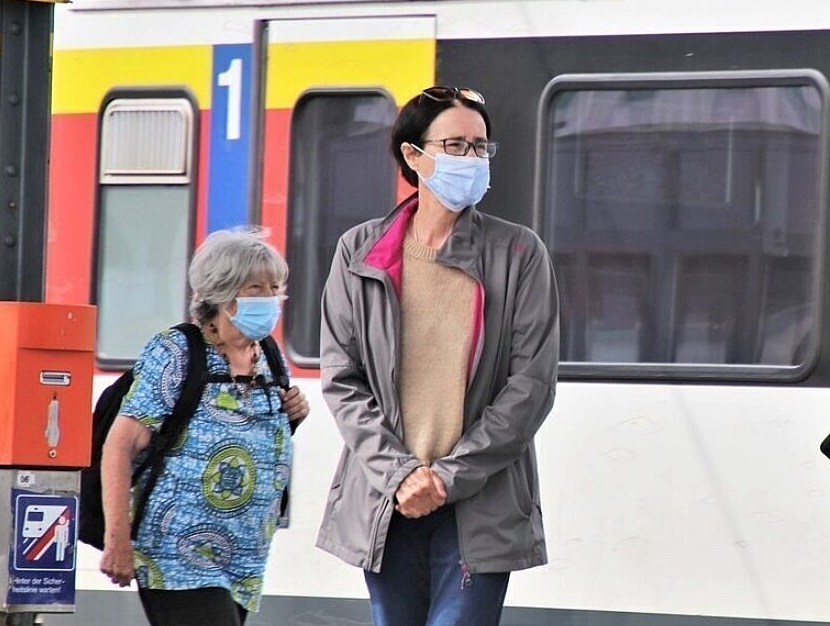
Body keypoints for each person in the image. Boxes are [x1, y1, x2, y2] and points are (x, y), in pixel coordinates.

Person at [317, 86, 560, 626]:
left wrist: (448, 477)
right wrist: (402, 475)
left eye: (480, 147)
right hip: (388, 501)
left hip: (479, 502)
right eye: (455, 144)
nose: (471, 159)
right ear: (413, 155)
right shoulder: (359, 251)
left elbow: (532, 385)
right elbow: (342, 379)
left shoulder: (519, 253)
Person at [99, 228, 310, 626]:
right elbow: (120, 445)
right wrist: (117, 540)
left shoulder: (267, 354)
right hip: (179, 553)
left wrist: (292, 414)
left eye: (275, 287)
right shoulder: (177, 351)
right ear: (224, 293)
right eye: (256, 287)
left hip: (245, 558)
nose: (271, 298)